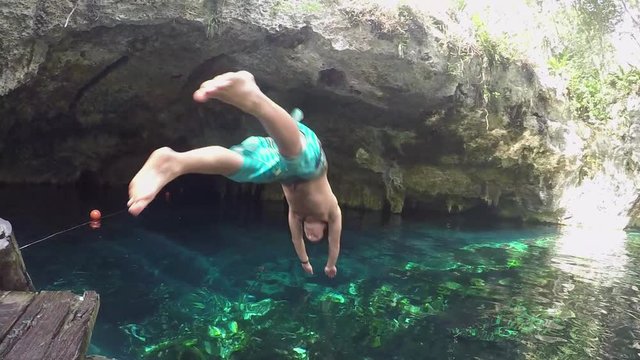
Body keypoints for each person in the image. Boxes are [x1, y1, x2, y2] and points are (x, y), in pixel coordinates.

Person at [127, 71, 342, 278]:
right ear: (325, 227)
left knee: (242, 167)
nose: (310, 236)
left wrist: (304, 261)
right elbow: (335, 242)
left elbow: (296, 240)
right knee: (298, 156)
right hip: (310, 158)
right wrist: (331, 264)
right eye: (317, 235)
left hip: (279, 168)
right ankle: (255, 99)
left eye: (309, 237)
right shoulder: (332, 212)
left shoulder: (296, 215)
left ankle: (175, 162)